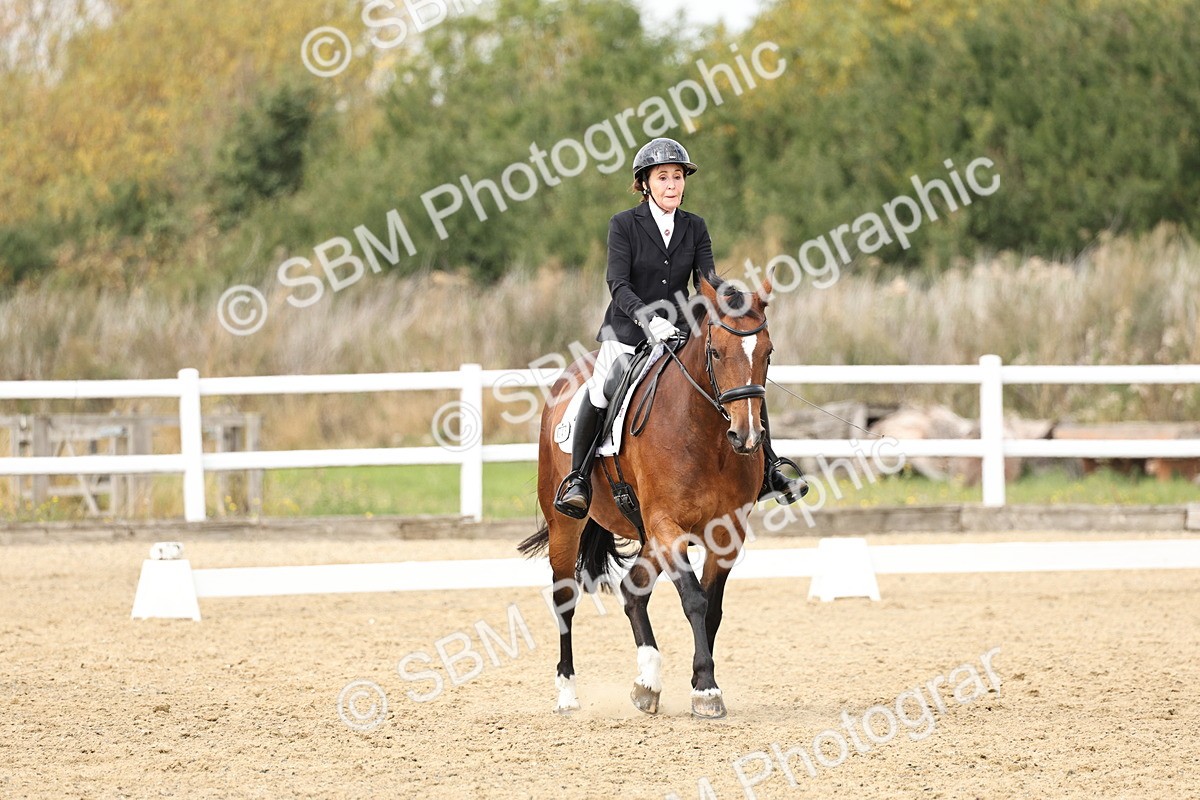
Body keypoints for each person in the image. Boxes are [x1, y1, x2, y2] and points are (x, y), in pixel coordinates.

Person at [553, 137, 806, 518]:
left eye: (677, 177)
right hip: (628, 329)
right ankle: (578, 479)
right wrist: (645, 317)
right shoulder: (623, 224)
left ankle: (769, 467)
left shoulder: (694, 226)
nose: (672, 184)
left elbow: (706, 278)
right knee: (602, 390)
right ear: (645, 184)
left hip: (681, 328)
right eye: (663, 178)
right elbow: (618, 283)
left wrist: (735, 301)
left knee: (737, 374)